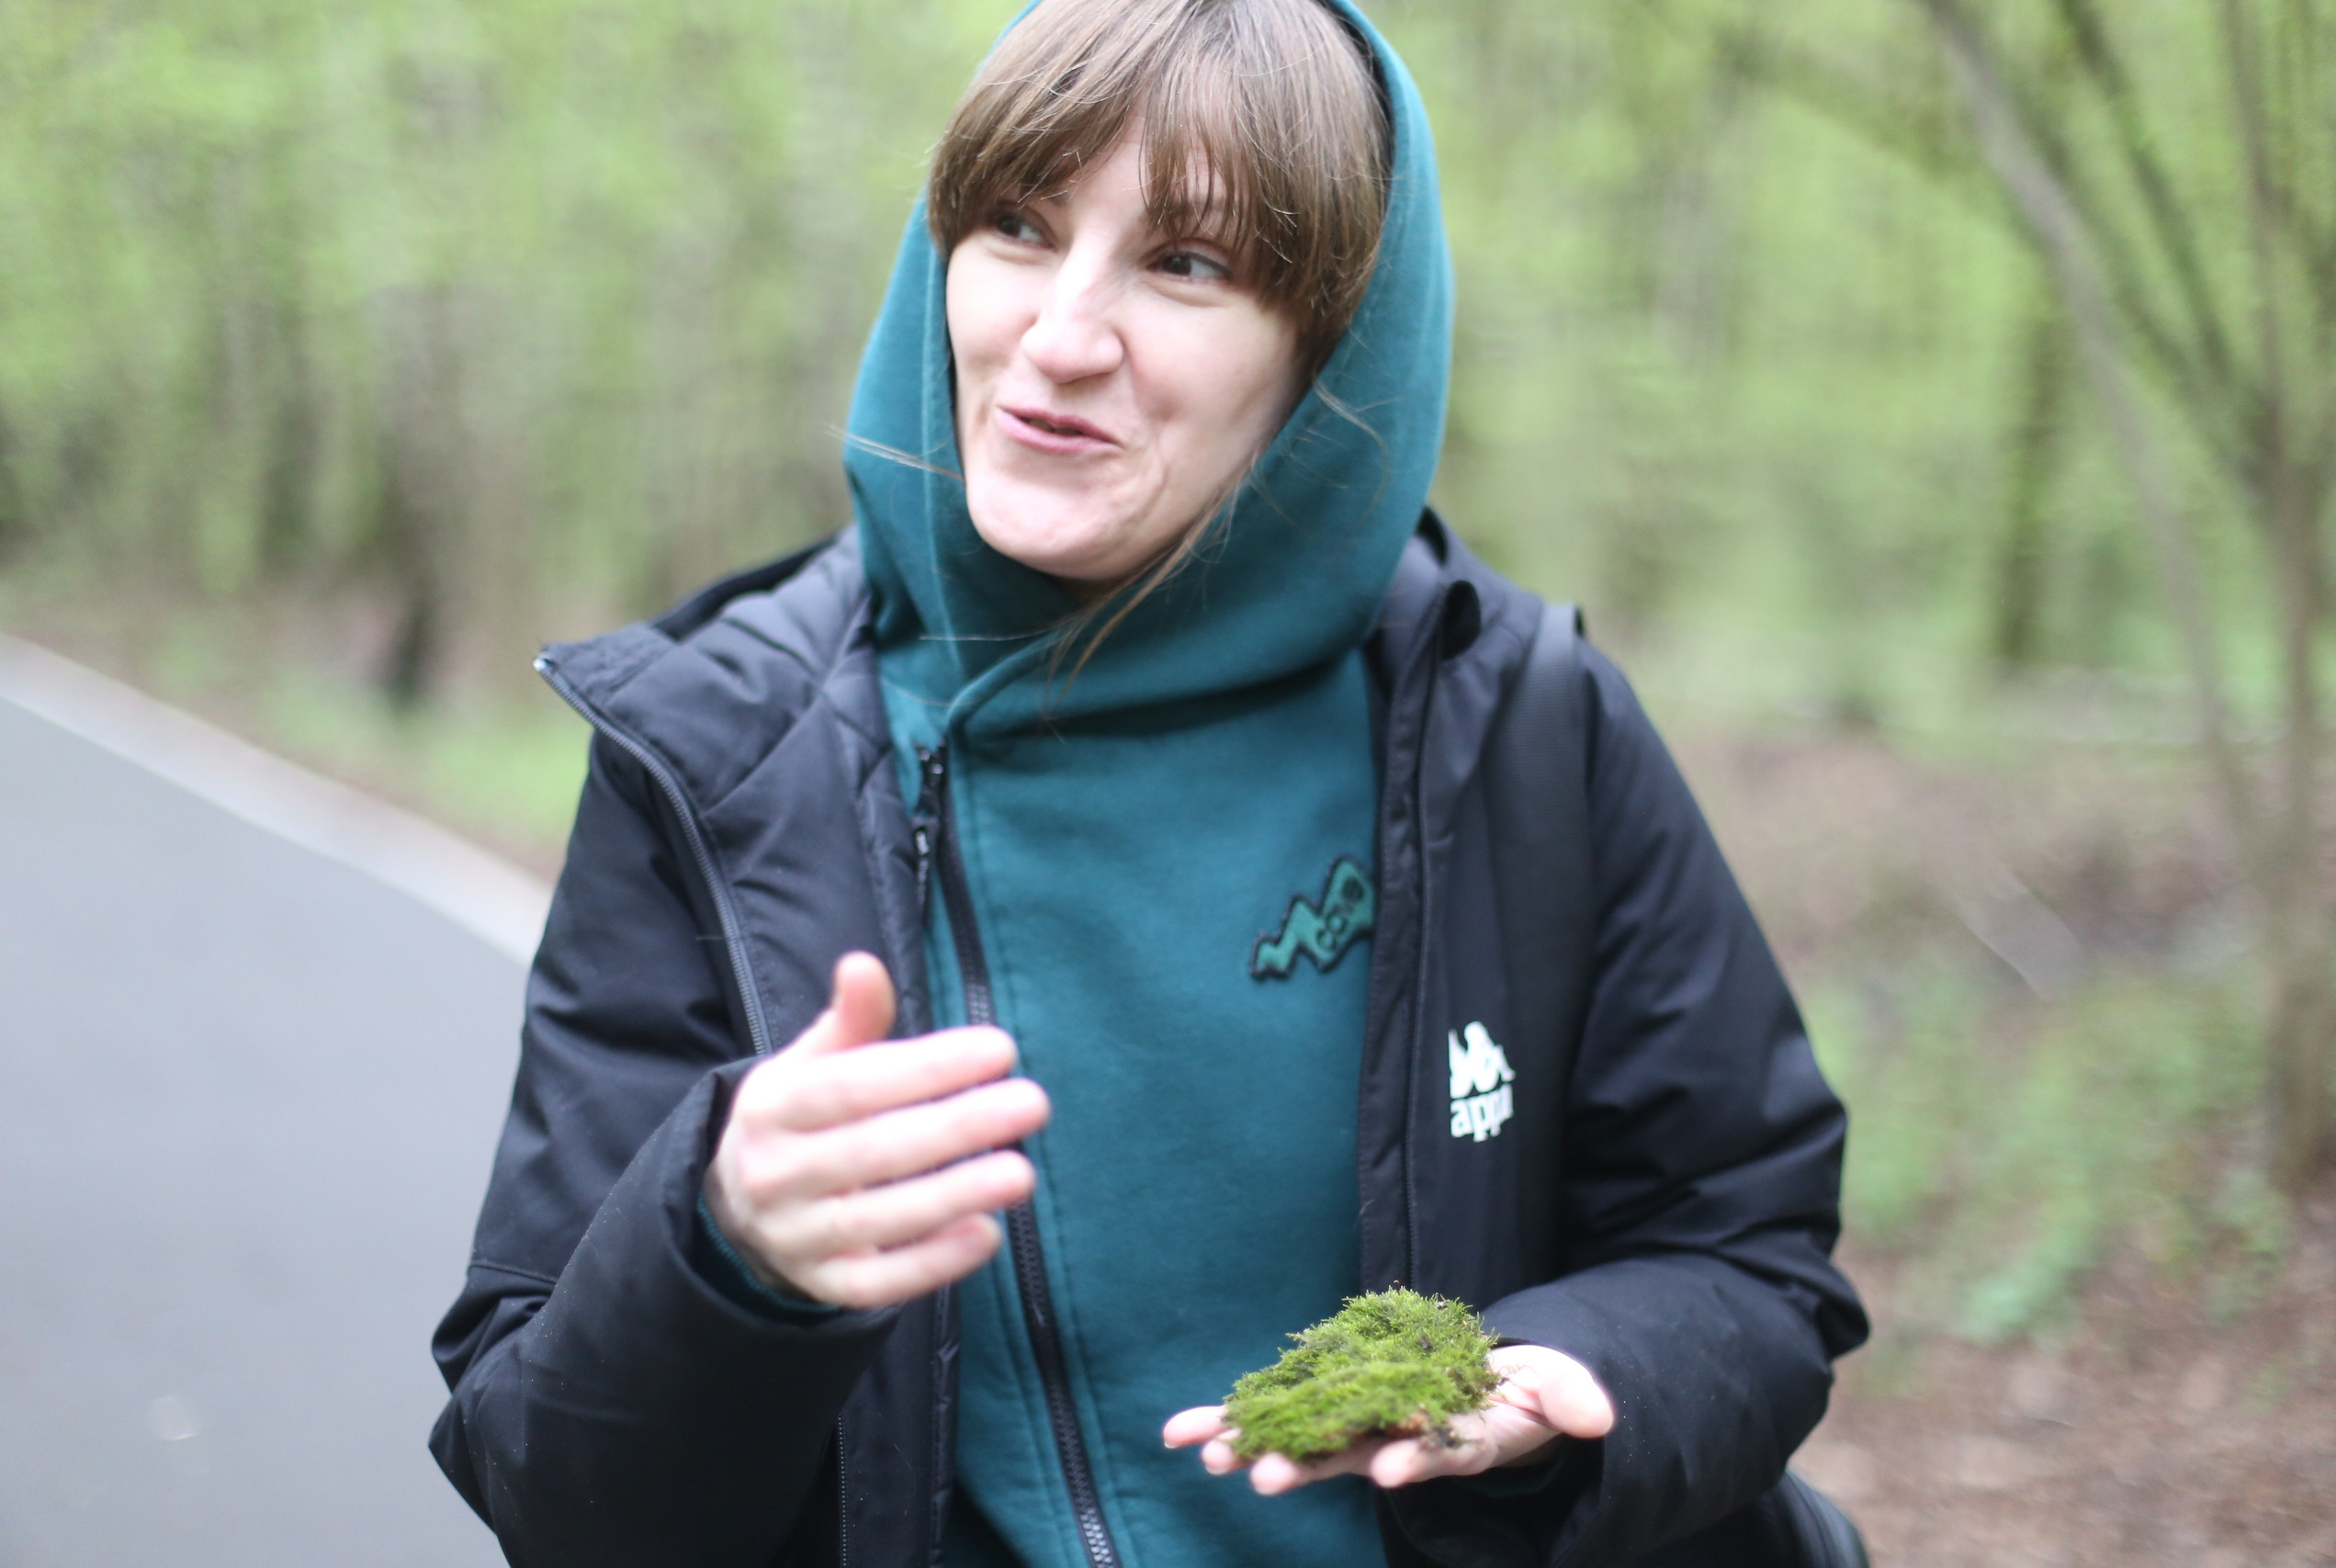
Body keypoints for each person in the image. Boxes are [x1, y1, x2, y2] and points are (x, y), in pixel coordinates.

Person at [429, 1, 1870, 1564]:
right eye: (1018, 224)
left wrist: (1568, 1381)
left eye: (1186, 264)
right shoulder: (720, 753)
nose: (1059, 336)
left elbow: (1742, 1252)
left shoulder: (1511, 718)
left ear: (1330, 349)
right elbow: (554, 1494)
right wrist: (725, 1255)